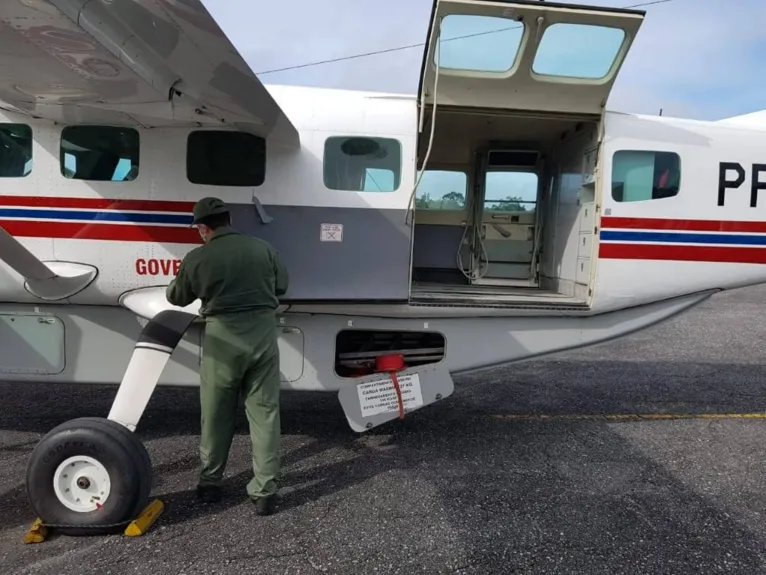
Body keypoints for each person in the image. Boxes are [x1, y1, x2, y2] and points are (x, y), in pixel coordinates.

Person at [165, 197, 289, 516]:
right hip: (262, 336)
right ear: (229, 219)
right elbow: (282, 287)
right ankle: (264, 492)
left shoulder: (198, 257)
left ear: (203, 229)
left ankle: (211, 484)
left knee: (217, 414)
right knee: (265, 415)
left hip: (222, 340)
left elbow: (177, 297)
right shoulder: (264, 249)